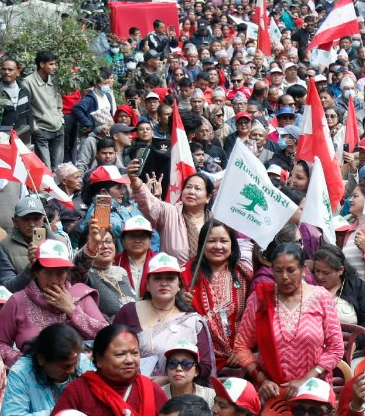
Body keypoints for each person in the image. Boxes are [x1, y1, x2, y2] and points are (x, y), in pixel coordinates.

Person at [232, 242, 343, 402]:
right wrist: (262, 379)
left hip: (314, 391)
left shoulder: (321, 297)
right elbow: (241, 346)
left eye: (291, 270)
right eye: (278, 270)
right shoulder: (260, 298)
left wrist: (307, 379)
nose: (284, 277)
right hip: (272, 393)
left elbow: (336, 348)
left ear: (303, 270)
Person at [51, 324, 169, 416]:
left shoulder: (152, 391)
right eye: (120, 354)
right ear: (98, 359)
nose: (129, 360)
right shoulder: (78, 391)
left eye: (135, 353)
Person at [0, 240, 108, 366]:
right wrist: (26, 362)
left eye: (60, 273)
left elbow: (107, 336)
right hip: (33, 376)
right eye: (48, 272)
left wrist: (71, 310)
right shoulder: (17, 301)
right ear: (36, 272)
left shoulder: (80, 295)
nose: (53, 280)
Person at [0, 323, 93, 416]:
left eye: (74, 364)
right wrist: (60, 414)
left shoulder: (82, 362)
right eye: (65, 366)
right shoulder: (22, 372)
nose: (73, 370)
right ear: (42, 359)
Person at [187, 218, 255, 372]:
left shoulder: (244, 274)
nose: (218, 246)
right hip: (199, 362)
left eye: (224, 241)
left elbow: (255, 318)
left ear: (232, 244)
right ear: (202, 244)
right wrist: (180, 302)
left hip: (240, 362)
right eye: (211, 241)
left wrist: (243, 351)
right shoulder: (186, 274)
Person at [129, 163, 213, 263]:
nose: (191, 192)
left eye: (197, 188)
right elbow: (149, 203)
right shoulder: (169, 212)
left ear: (208, 198)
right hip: (173, 276)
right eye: (188, 187)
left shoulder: (215, 222)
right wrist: (136, 182)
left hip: (207, 277)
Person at [0, 193, 71, 292]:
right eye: (26, 219)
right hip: (22, 304)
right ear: (15, 221)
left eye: (36, 219)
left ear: (43, 219)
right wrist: (31, 267)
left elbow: (70, 278)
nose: (32, 224)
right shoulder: (5, 247)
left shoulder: (60, 242)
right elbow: (8, 287)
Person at [72, 223, 136, 320]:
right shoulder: (85, 275)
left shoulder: (121, 271)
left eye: (109, 241)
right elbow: (78, 266)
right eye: (98, 243)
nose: (105, 246)